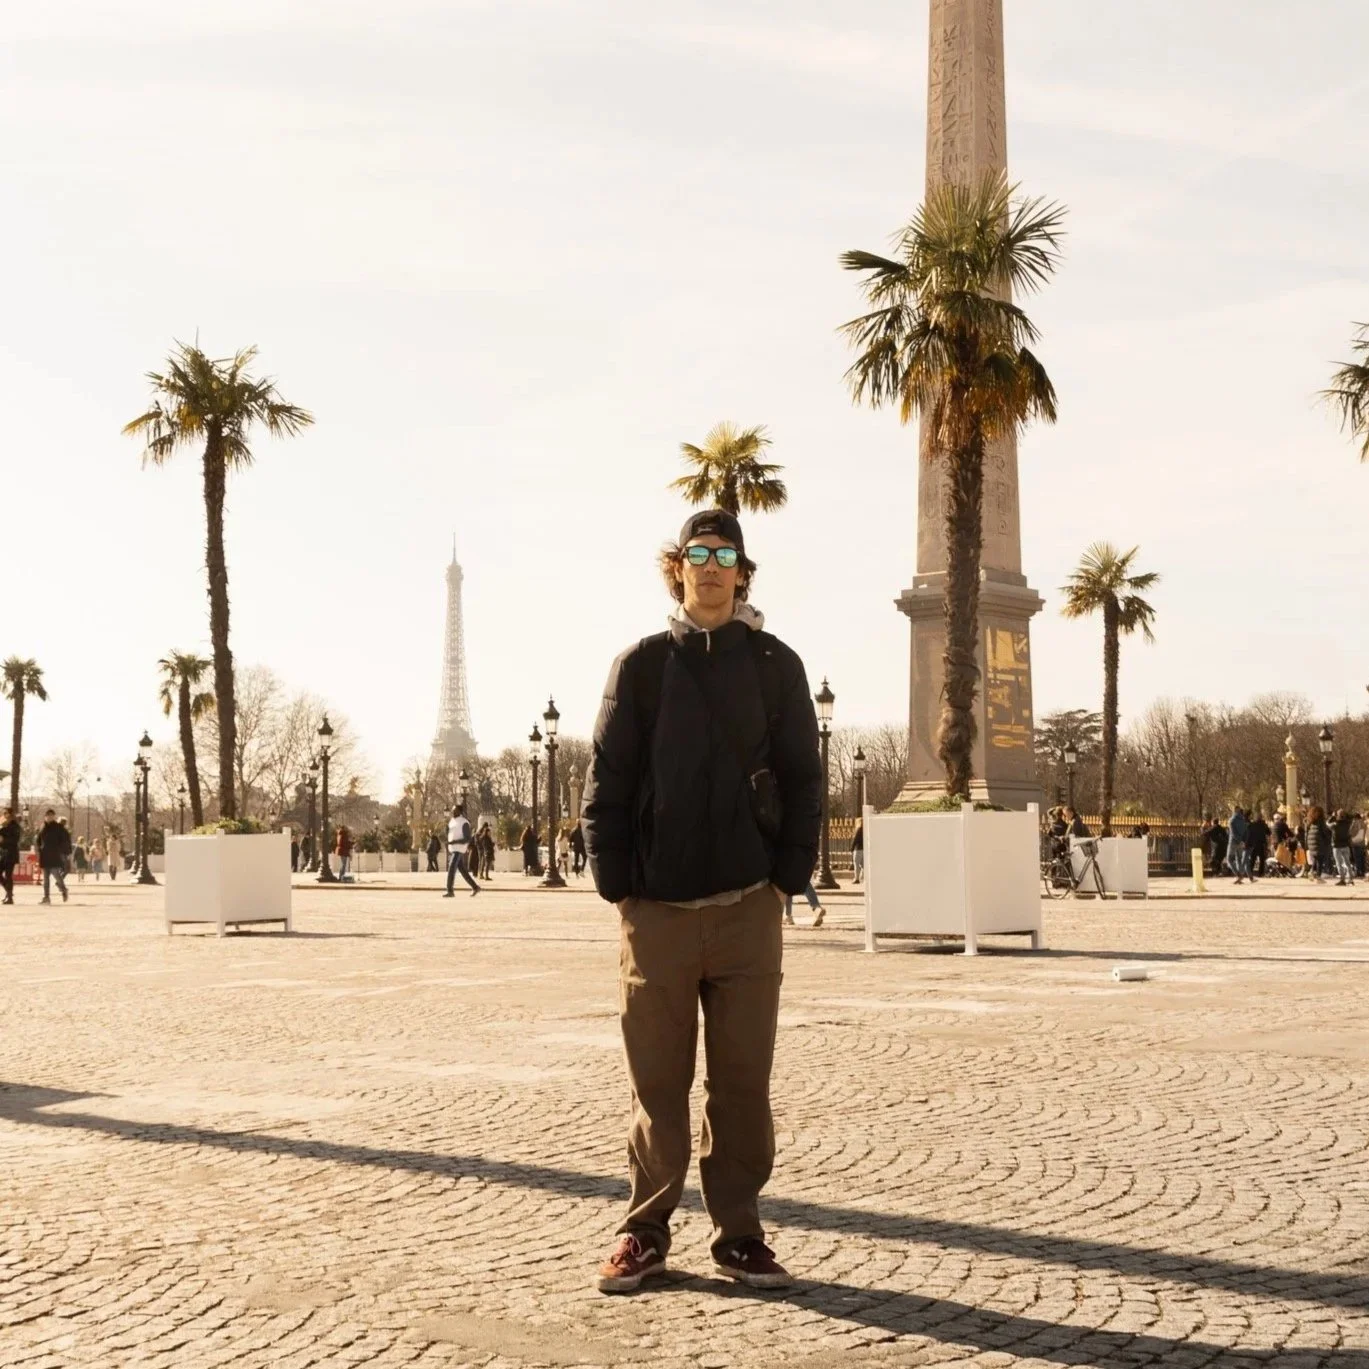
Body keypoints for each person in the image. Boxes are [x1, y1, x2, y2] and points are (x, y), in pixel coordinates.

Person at [583, 508, 822, 1295]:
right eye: (698, 552)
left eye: (725, 553)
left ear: (743, 571)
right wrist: (615, 883)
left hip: (747, 903)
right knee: (656, 1083)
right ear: (677, 568)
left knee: (743, 1081)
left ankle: (740, 1231)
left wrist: (785, 876)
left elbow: (802, 776)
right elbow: (606, 780)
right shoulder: (641, 666)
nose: (712, 565)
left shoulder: (776, 666)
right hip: (655, 906)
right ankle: (644, 1227)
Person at [443, 804, 480, 897]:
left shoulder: (464, 822)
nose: (452, 812)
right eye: (452, 810)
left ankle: (450, 890)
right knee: (463, 870)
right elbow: (450, 833)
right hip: (453, 848)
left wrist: (454, 842)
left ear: (460, 811)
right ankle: (475, 887)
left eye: (454, 810)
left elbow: (467, 838)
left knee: (451, 868)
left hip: (459, 849)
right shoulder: (452, 821)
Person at [37, 809, 71, 905]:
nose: (49, 817)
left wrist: (62, 850)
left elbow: (65, 839)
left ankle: (64, 890)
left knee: (56, 874)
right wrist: (40, 848)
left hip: (54, 854)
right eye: (48, 815)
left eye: (51, 815)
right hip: (45, 855)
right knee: (46, 878)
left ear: (54, 816)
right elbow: (38, 839)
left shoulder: (58, 827)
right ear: (45, 816)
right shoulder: (43, 826)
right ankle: (46, 897)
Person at [0, 807, 21, 904]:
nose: (4, 815)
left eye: (6, 813)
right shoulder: (3, 825)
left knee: (8, 875)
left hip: (11, 854)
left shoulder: (15, 826)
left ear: (11, 814)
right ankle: (9, 893)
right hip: (3, 854)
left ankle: (10, 897)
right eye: (3, 813)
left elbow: (15, 840)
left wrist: (3, 840)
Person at [1305, 806, 1330, 884]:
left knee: (1316, 859)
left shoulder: (1310, 822)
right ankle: (1318, 877)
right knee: (1320, 860)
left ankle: (1311, 872)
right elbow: (1325, 832)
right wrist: (1329, 838)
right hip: (1319, 843)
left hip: (1312, 843)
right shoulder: (1321, 821)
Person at [1331, 809, 1356, 886]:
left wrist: (1332, 817)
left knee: (1339, 863)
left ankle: (1342, 879)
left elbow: (1327, 824)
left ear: (1337, 816)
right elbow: (1351, 817)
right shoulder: (1348, 824)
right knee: (1347, 863)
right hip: (1345, 845)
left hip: (1337, 846)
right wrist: (1345, 814)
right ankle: (1351, 879)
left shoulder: (1334, 825)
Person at [1227, 805, 1249, 884]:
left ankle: (1238, 875)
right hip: (1241, 843)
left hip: (1233, 842)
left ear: (1234, 810)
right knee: (1239, 859)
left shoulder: (1232, 820)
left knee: (1229, 859)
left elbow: (1233, 833)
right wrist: (1243, 841)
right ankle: (1240, 876)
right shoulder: (1243, 820)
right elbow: (1246, 832)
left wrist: (1238, 840)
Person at [1246, 809, 1270, 879]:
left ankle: (1250, 872)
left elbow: (1249, 834)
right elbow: (1268, 832)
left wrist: (1248, 843)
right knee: (1262, 858)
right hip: (1261, 843)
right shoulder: (1263, 824)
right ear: (1261, 817)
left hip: (1254, 844)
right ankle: (1261, 873)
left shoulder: (1252, 825)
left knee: (1253, 858)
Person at [851, 817, 864, 883]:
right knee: (863, 865)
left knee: (856, 864)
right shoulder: (865, 830)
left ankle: (856, 878)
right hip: (864, 849)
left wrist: (852, 848)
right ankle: (863, 877)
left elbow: (855, 840)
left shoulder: (858, 829)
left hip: (858, 849)